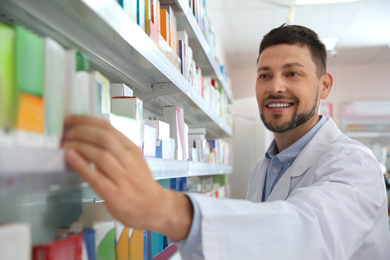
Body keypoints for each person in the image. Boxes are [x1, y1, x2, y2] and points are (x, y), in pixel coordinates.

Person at [62, 24, 390, 259]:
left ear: (324, 85)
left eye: (292, 73)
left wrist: (165, 208)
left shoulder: (355, 164)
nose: (275, 87)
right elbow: (258, 244)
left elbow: (310, 235)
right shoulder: (265, 166)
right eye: (264, 74)